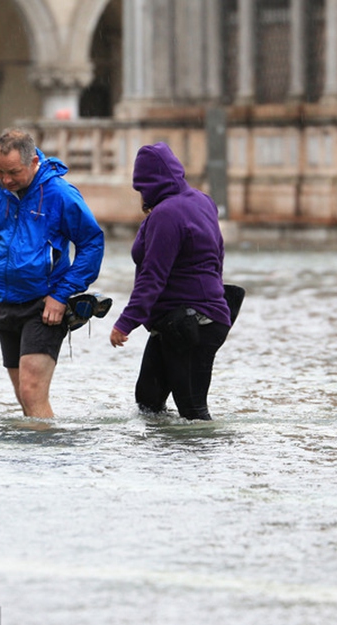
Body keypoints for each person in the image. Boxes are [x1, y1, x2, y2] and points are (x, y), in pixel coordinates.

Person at [0, 128, 105, 419]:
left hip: (44, 306)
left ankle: (51, 459)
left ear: (34, 162)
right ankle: (29, 460)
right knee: (24, 397)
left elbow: (92, 244)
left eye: (13, 172)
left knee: (33, 392)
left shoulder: (60, 194)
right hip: (4, 303)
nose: (6, 180)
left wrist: (61, 295)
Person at [109, 142, 236, 421]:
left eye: (142, 187)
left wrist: (125, 322)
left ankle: (207, 461)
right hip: (178, 322)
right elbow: (218, 255)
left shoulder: (167, 214)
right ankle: (164, 462)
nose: (141, 195)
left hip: (192, 325)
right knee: (148, 401)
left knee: (193, 413)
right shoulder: (202, 201)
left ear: (151, 184)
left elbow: (153, 275)